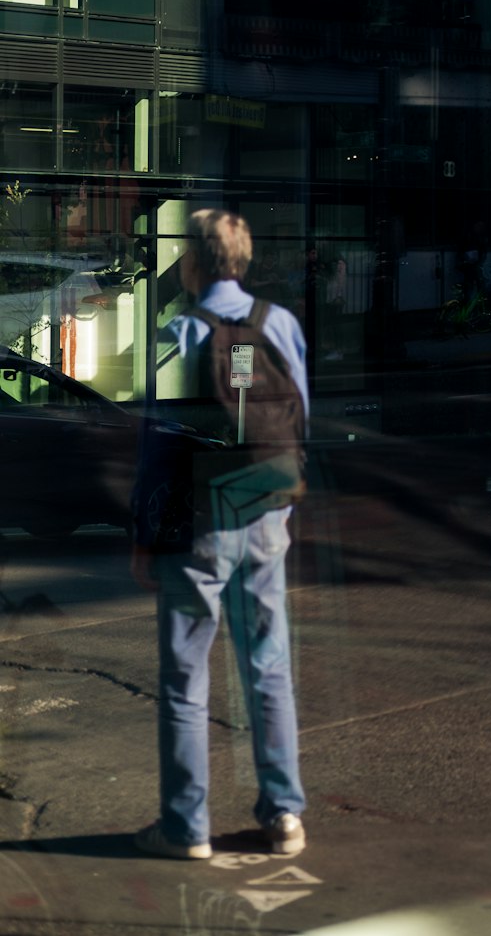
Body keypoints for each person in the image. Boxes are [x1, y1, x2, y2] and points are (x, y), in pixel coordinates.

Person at [131, 209, 308, 861]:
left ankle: (186, 828)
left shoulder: (177, 332)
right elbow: (301, 417)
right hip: (263, 511)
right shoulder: (280, 325)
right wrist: (284, 510)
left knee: (185, 676)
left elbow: (156, 445)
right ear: (243, 260)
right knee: (269, 667)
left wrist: (144, 533)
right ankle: (284, 816)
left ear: (196, 264)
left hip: (195, 522)